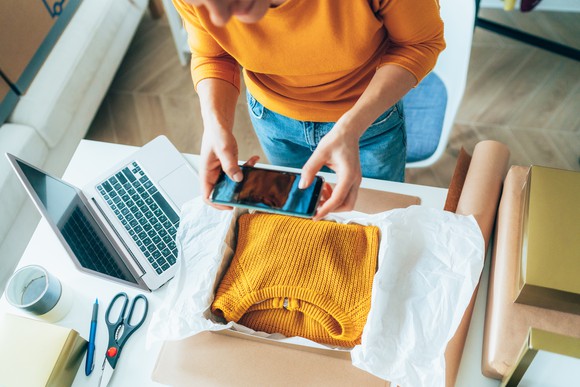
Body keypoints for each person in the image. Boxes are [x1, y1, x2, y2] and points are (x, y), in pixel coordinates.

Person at [172, 0, 445, 220]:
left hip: (369, 122)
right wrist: (215, 123)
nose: (219, 19)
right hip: (272, 120)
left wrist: (352, 126)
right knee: (299, 210)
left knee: (378, 217)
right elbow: (214, 54)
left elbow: (419, 44)